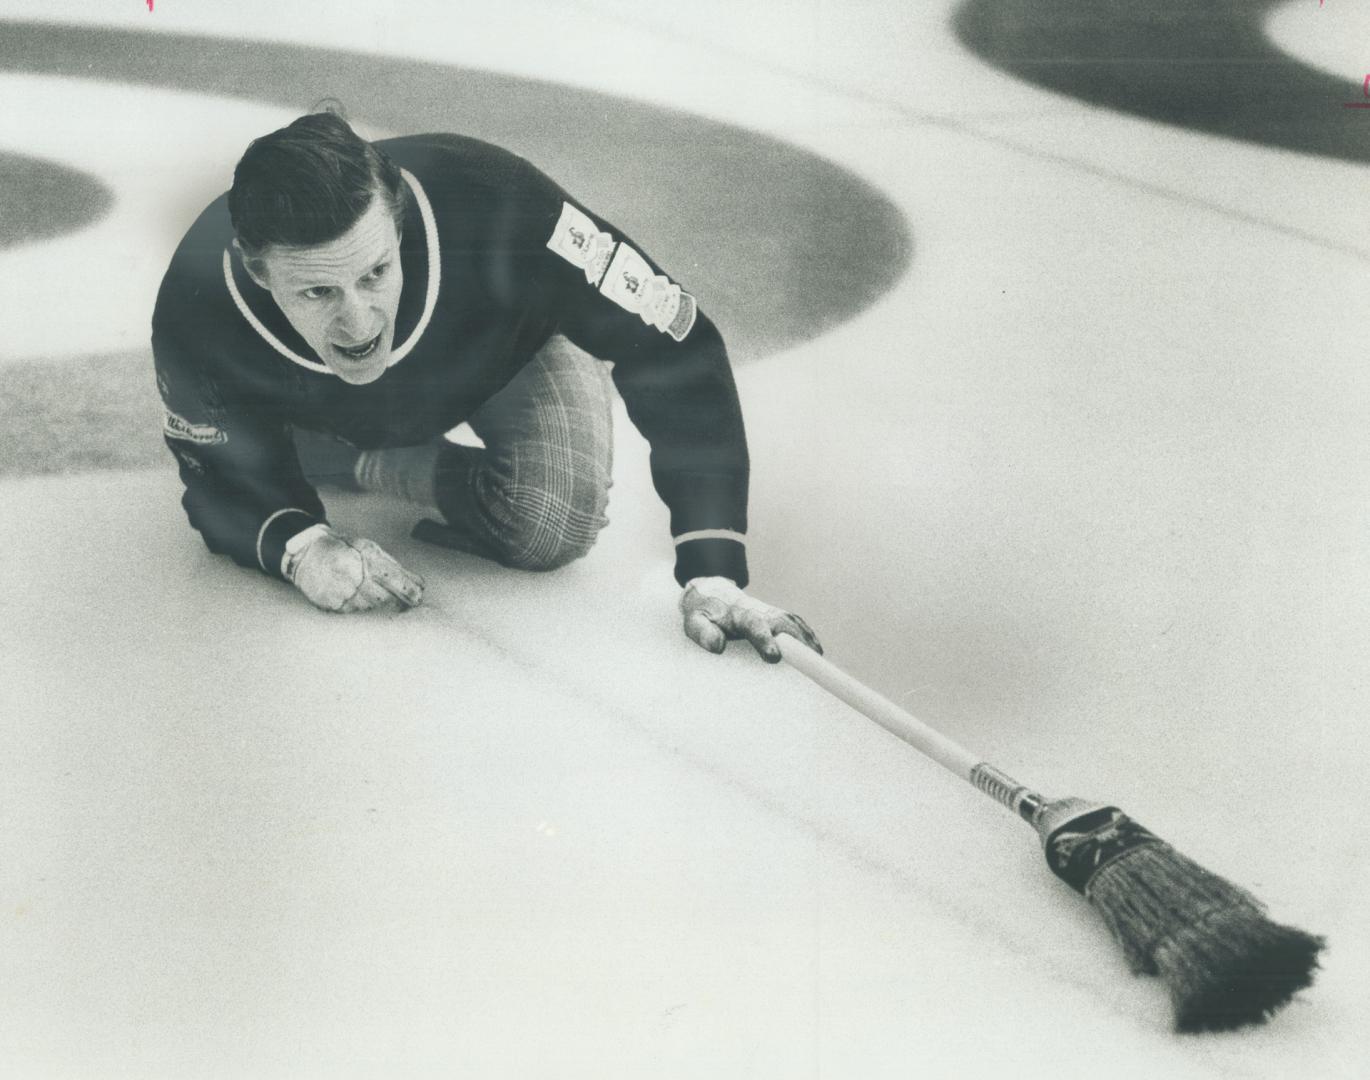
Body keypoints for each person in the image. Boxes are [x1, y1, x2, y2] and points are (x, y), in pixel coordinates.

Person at [151, 109, 821, 663]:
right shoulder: (196, 298)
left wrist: (713, 569)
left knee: (553, 524)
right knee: (259, 471)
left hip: (497, 361)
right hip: (319, 402)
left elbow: (678, 343)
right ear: (258, 271)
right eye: (319, 290)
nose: (357, 321)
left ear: (399, 219)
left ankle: (342, 460)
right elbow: (212, 474)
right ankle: (321, 455)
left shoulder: (499, 202)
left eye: (376, 273)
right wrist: (302, 548)